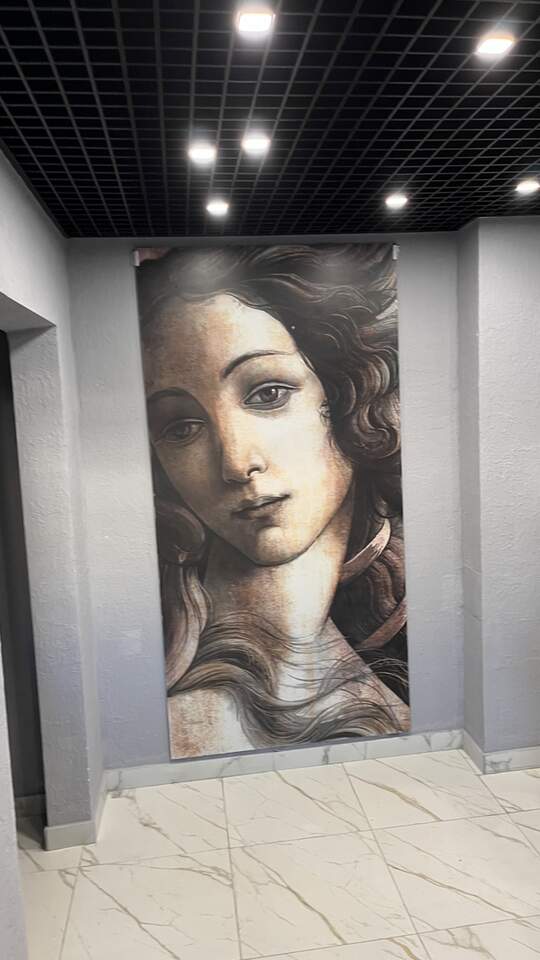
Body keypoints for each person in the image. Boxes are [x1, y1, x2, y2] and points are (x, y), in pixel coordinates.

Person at [138, 243, 409, 758]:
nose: (236, 463)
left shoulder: (372, 682)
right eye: (182, 427)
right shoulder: (193, 719)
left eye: (268, 394)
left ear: (347, 393)